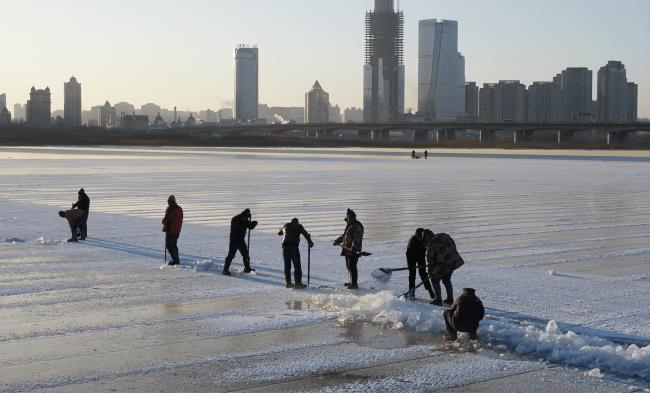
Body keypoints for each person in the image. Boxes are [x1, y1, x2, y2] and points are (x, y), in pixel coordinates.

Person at [422, 229, 464, 306]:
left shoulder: (431, 243)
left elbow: (430, 260)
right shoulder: (444, 236)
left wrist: (430, 272)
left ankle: (438, 300)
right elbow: (453, 246)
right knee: (446, 279)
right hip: (453, 261)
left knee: (434, 280)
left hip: (442, 265)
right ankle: (450, 299)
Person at [277, 218, 314, 289]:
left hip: (285, 247)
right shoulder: (299, 226)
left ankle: (288, 284)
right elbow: (305, 233)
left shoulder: (286, 225)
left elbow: (279, 233)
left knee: (287, 266)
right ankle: (298, 284)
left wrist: (282, 230)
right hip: (293, 247)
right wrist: (310, 241)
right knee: (297, 266)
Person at [333, 209, 364, 290]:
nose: (347, 218)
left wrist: (353, 249)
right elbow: (345, 236)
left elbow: (357, 239)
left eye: (348, 216)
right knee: (349, 266)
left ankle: (354, 284)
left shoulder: (356, 225)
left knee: (352, 267)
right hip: (347, 250)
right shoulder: (349, 225)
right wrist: (337, 241)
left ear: (351, 216)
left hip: (353, 251)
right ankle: (351, 282)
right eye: (347, 216)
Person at [223, 209, 258, 275]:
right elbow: (239, 226)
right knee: (231, 255)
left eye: (247, 218)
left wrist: (253, 224)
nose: (246, 218)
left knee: (246, 255)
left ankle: (247, 268)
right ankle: (225, 270)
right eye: (246, 217)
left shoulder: (245, 220)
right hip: (234, 241)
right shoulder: (235, 219)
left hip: (241, 241)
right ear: (243, 215)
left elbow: (249, 227)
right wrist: (248, 223)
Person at [406, 228, 435, 300]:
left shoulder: (425, 240)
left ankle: (429, 289)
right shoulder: (412, 240)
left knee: (423, 273)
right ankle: (411, 292)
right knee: (412, 275)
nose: (420, 239)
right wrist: (410, 266)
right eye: (419, 237)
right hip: (411, 257)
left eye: (421, 237)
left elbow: (428, 251)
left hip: (421, 257)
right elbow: (408, 254)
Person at [162, 195, 183, 266]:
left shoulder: (171, 209)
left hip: (171, 230)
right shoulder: (179, 208)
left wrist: (163, 221)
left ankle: (175, 260)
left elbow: (166, 220)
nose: (168, 203)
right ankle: (176, 259)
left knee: (169, 246)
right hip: (177, 230)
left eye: (169, 202)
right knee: (174, 245)